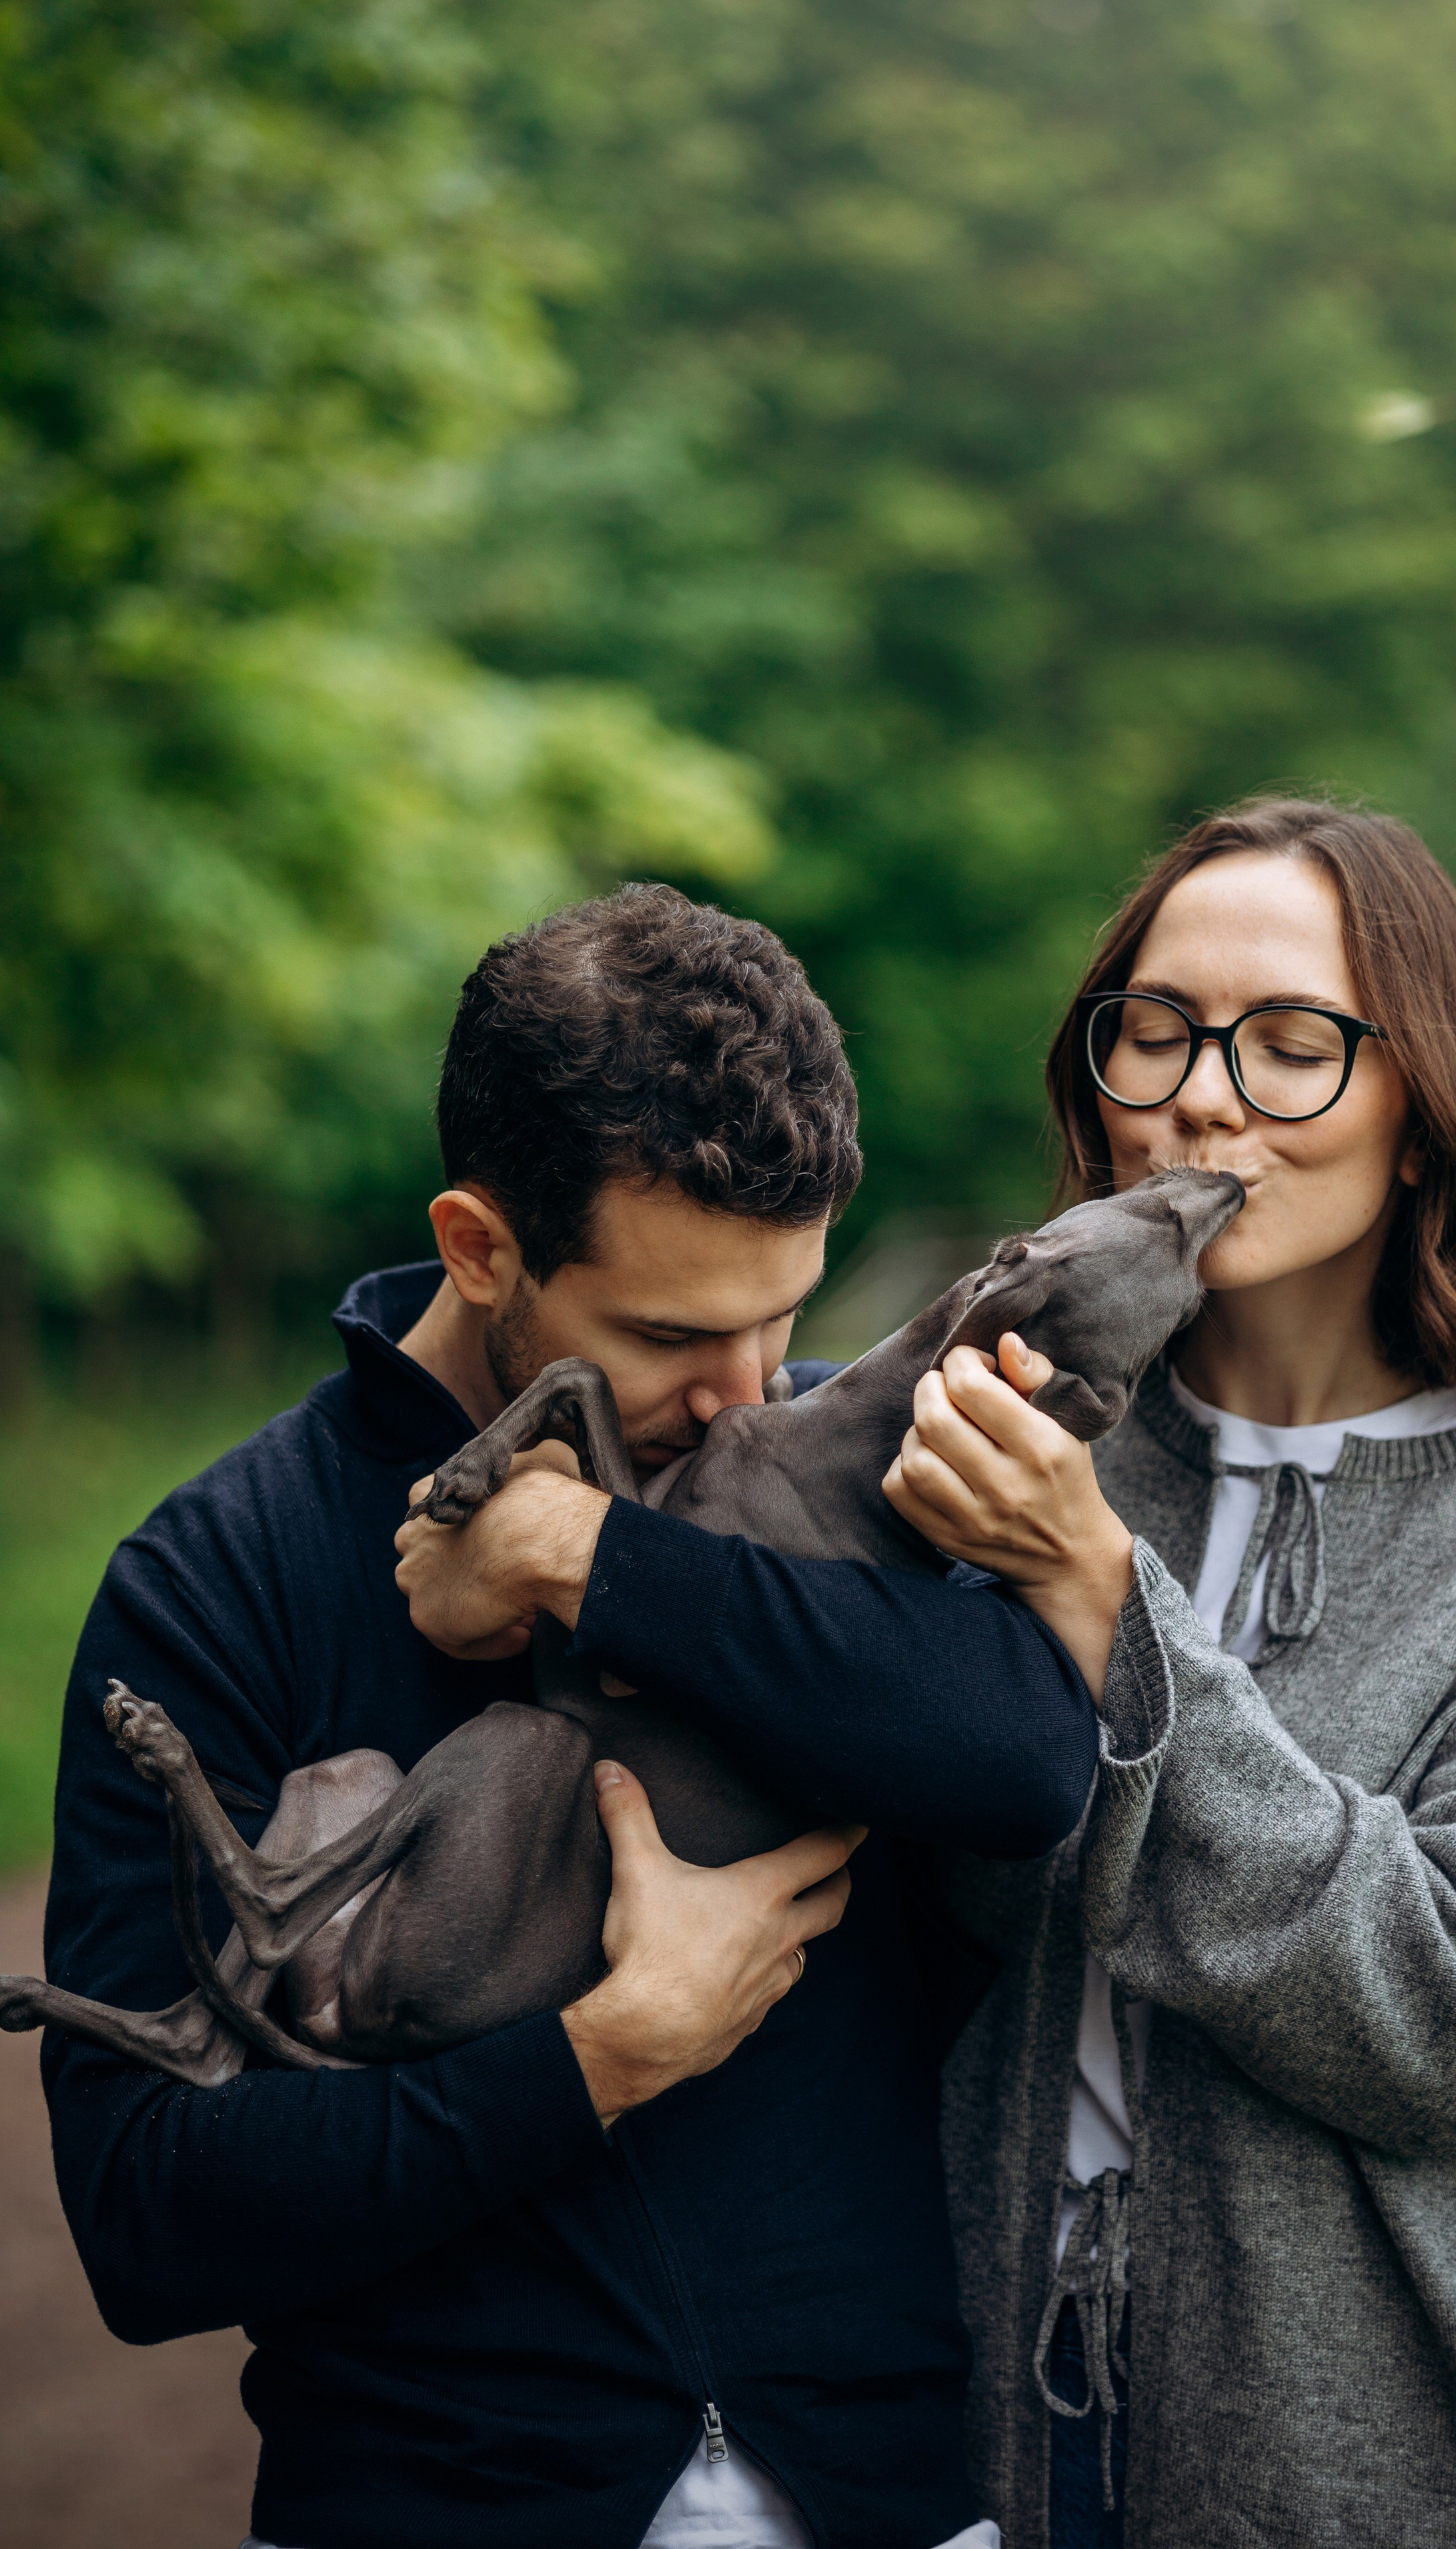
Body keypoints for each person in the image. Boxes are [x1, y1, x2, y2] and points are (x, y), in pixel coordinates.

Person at [41, 885, 1101, 2549]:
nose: (752, 1392)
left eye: (787, 1315)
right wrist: (601, 2058)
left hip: (889, 2499)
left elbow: (1031, 1765)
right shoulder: (219, 1573)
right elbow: (146, 2222)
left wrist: (597, 1559)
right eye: (673, 1332)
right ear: (480, 1246)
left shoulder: (833, 1465)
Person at [876, 797, 1456, 2548]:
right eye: (1157, 1031)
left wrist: (1112, 1609)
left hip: (1419, 2456)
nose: (1204, 1093)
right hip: (989, 2446)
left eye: (1293, 1045)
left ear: (1426, 1114)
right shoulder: (1001, 1445)